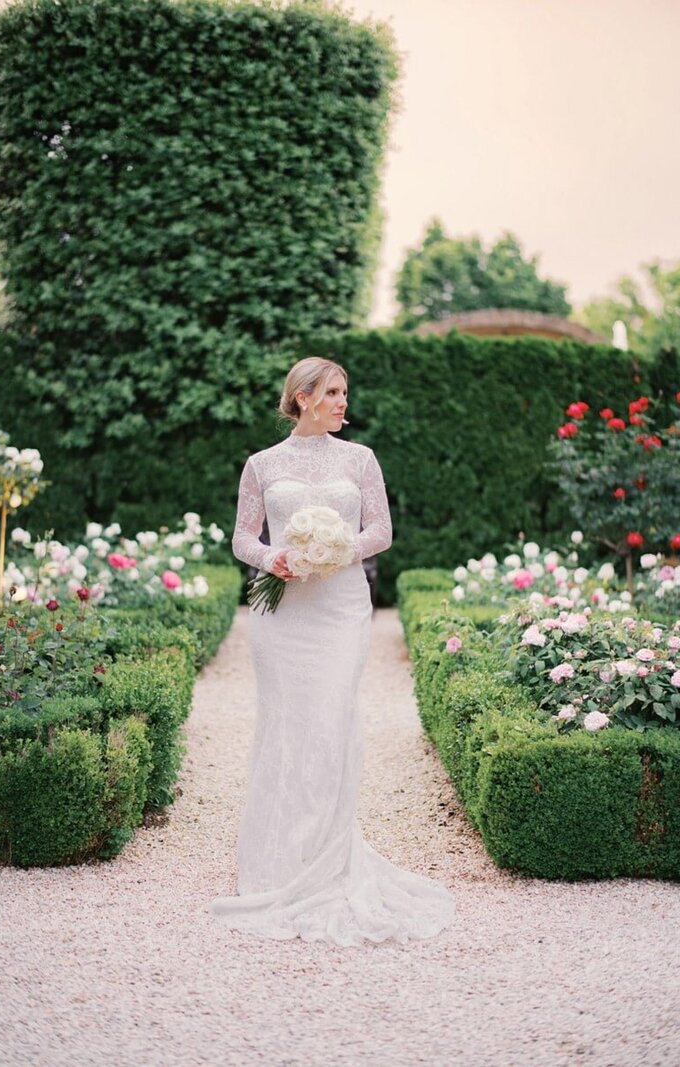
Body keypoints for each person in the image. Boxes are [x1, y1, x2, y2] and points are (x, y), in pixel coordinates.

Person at [208, 356, 456, 946]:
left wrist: (332, 553)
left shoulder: (360, 459)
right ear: (302, 398)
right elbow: (243, 536)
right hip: (282, 613)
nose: (345, 402)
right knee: (286, 727)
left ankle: (330, 858)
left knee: (331, 722)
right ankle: (279, 861)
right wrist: (276, 559)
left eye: (345, 392)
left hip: (342, 608)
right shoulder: (262, 465)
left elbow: (381, 531)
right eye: (334, 393)